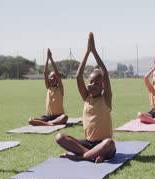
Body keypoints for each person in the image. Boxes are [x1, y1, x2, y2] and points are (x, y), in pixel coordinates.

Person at [55, 32, 116, 163]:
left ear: (103, 86)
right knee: (60, 137)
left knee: (109, 143)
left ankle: (82, 157)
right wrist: (87, 52)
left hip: (103, 144)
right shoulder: (86, 97)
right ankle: (91, 155)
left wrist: (94, 51)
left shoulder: (106, 99)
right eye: (91, 82)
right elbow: (78, 76)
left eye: (97, 83)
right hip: (87, 144)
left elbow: (105, 75)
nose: (92, 85)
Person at [29, 49, 68, 126]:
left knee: (65, 117)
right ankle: (49, 123)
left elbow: (57, 74)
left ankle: (49, 123)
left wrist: (51, 59)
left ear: (57, 80)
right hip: (48, 116)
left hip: (58, 116)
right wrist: (47, 59)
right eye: (50, 77)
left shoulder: (60, 89)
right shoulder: (48, 87)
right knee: (30, 120)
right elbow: (45, 73)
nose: (52, 79)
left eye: (54, 77)